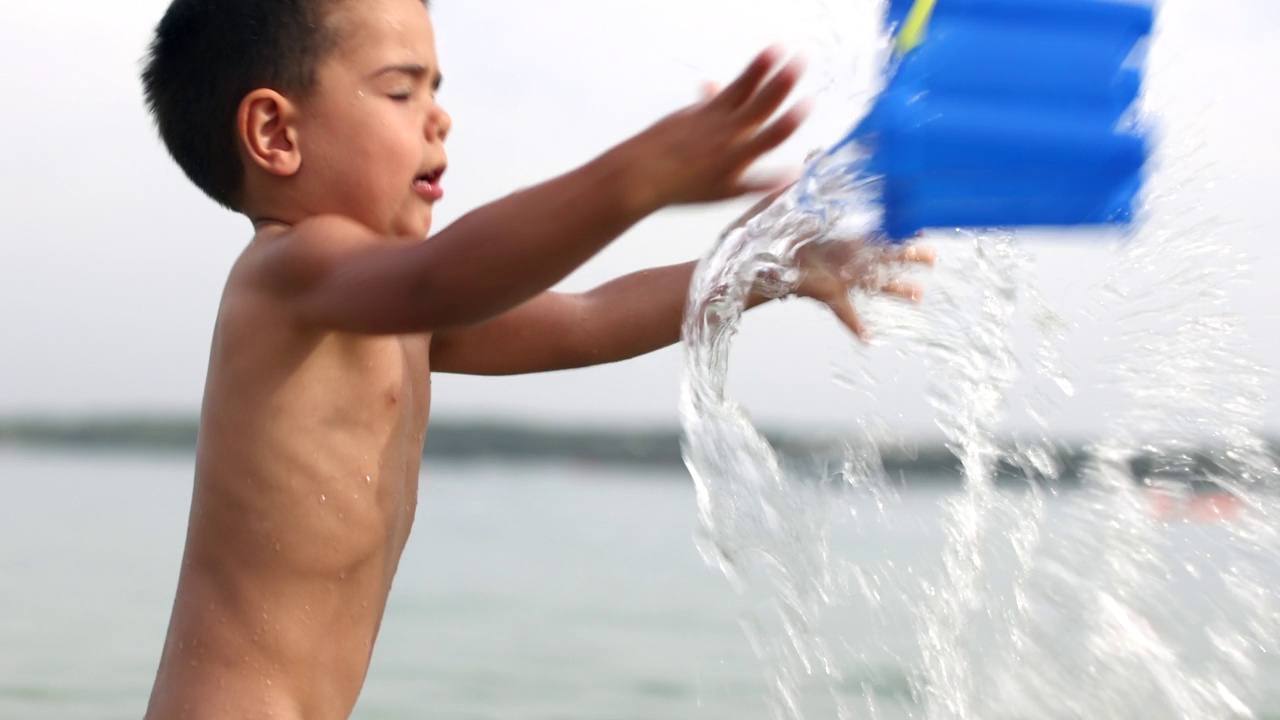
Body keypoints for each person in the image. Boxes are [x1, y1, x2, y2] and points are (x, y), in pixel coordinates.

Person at [139, 0, 933, 717]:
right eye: (400, 90)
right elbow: (440, 275)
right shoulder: (288, 275)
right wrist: (636, 179)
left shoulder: (398, 315)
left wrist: (760, 268)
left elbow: (590, 319)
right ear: (277, 134)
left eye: (436, 89)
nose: (439, 119)